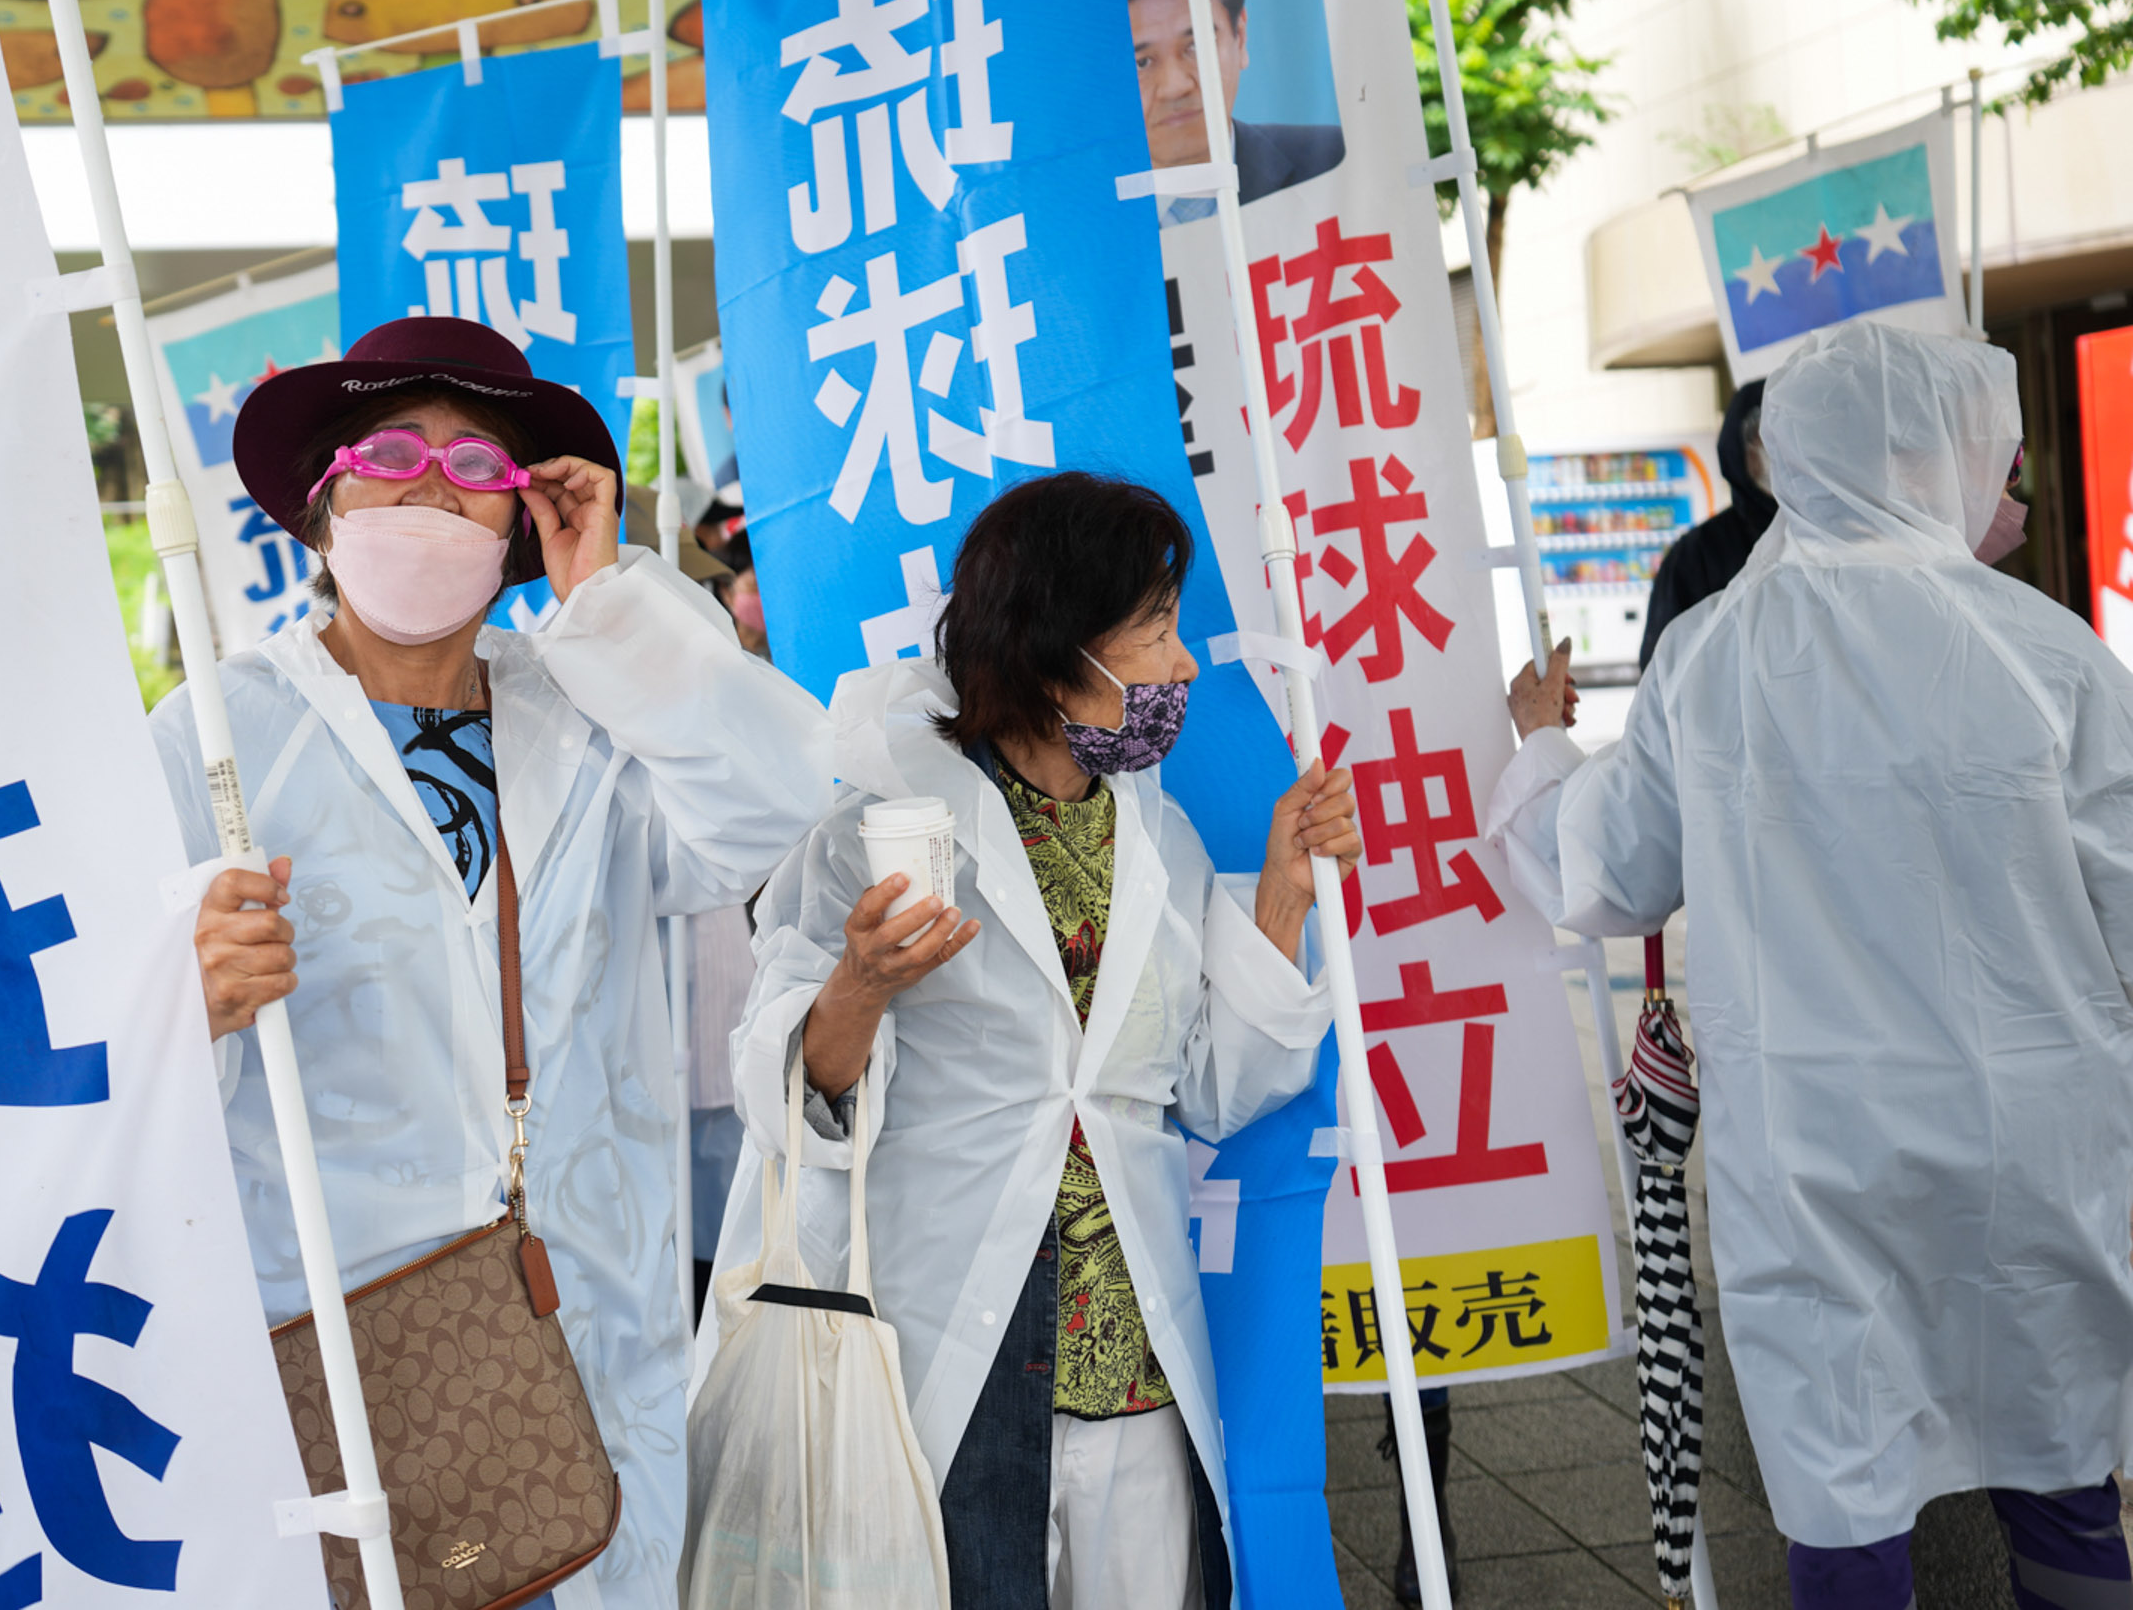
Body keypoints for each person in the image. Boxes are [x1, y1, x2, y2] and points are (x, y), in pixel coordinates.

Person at [157, 317, 834, 1605]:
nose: (429, 488)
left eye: (476, 466)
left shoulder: (590, 714)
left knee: (594, 1558)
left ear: (519, 519)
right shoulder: (220, 741)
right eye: (391, 453)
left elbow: (773, 798)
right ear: (323, 500)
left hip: (582, 1311)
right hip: (350, 1331)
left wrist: (607, 603)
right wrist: (185, 997)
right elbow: (95, 1037)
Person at [1486, 319, 2133, 1610]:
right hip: (2030, 1141)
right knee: (2059, 1457)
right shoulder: (2048, 651)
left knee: (1842, 1489)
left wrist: (1538, 746)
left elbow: (1604, 869)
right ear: (1929, 456)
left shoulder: (1713, 654)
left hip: (1813, 1154)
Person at [712, 471, 1355, 1610]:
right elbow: (787, 1099)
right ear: (1058, 646)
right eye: (1157, 629)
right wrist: (860, 984)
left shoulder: (1159, 835)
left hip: (1133, 1356)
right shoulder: (875, 832)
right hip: (948, 1340)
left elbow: (1212, 1092)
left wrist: (1283, 899)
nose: (1184, 666)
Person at [1124, 0, 1344, 214]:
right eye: (1142, 63)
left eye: (1196, 46)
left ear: (1239, 37)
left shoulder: (1330, 158)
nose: (1175, 87)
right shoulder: (1087, 214)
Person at [1638, 377, 1775, 668]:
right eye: (1763, 438)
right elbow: (1661, 667)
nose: (1776, 450)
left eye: (1785, 435)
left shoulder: (1824, 533)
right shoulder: (1697, 553)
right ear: (1739, 450)